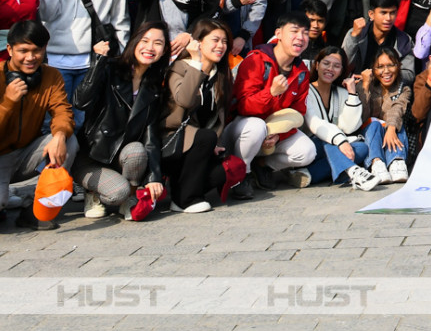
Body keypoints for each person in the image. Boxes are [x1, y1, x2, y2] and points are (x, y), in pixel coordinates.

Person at [0, 19, 78, 228]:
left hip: (27, 151)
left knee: (69, 141)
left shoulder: (51, 75)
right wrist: (7, 102)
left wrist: (60, 135)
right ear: (9, 49)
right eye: (23, 51)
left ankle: (35, 210)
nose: (30, 57)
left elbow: (62, 111)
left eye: (37, 51)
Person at [70, 20, 170, 219]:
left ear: (164, 50)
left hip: (120, 158)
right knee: (117, 192)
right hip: (91, 158)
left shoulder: (153, 88)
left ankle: (130, 198)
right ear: (134, 42)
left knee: (137, 151)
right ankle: (92, 193)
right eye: (145, 40)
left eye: (158, 43)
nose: (150, 47)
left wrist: (153, 177)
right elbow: (81, 101)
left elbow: (151, 138)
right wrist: (98, 61)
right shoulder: (110, 69)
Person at [229, 16, 318, 191]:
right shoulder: (256, 59)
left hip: (271, 133)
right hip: (242, 129)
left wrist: (279, 136)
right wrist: (271, 93)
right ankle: (242, 174)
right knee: (256, 126)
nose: (300, 37)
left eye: (305, 33)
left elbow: (297, 113)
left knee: (307, 151)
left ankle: (263, 166)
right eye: (294, 31)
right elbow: (243, 106)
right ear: (278, 34)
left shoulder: (301, 72)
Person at [162, 18, 234, 213]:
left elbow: (218, 116)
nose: (221, 46)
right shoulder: (180, 68)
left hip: (201, 145)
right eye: (215, 40)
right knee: (204, 137)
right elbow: (184, 100)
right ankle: (187, 199)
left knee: (223, 172)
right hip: (172, 140)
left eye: (225, 41)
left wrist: (216, 144)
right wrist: (196, 63)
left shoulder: (221, 74)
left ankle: (179, 195)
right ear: (198, 42)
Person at [303, 45, 378, 190]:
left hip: (333, 147)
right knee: (327, 141)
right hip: (311, 147)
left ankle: (308, 175)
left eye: (336, 66)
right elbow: (315, 124)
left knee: (361, 148)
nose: (330, 69)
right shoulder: (305, 90)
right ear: (317, 65)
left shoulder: (341, 93)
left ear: (342, 70)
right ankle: (353, 172)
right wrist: (340, 141)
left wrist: (351, 94)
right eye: (326, 63)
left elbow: (349, 127)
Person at [359, 50, 411, 184]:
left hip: (391, 134)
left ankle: (396, 161)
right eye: (380, 67)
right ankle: (376, 163)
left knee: (397, 125)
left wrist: (391, 128)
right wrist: (365, 86)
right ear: (373, 69)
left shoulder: (403, 89)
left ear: (398, 66)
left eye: (391, 65)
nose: (386, 71)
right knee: (374, 125)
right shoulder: (365, 85)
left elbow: (397, 109)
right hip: (370, 136)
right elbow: (362, 116)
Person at [345, 0, 416, 84]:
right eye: (383, 13)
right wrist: (353, 38)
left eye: (392, 13)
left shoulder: (403, 40)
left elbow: (409, 74)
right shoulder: (357, 33)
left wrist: (377, 76)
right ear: (371, 14)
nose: (388, 18)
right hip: (357, 87)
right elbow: (344, 65)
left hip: (389, 91)